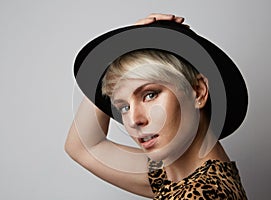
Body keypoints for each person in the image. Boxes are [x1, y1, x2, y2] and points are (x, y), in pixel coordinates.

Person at [65, 14, 248, 199]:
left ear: (198, 91)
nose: (135, 120)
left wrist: (122, 44)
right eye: (124, 107)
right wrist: (121, 47)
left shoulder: (202, 194)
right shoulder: (174, 177)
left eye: (150, 95)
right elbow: (83, 146)